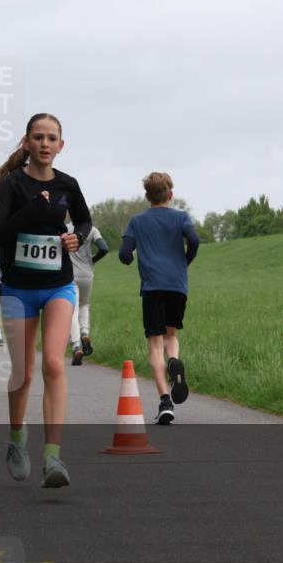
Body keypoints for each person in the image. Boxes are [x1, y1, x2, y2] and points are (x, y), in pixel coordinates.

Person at [0, 113, 92, 489]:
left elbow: (85, 222)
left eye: (52, 138)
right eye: (38, 137)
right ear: (27, 142)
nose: (45, 144)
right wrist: (28, 212)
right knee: (24, 372)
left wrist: (76, 236)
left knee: (54, 365)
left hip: (59, 285)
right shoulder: (12, 185)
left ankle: (52, 457)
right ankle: (16, 441)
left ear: (61, 145)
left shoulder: (68, 184)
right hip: (18, 288)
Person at [119, 171, 199, 425]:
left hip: (152, 287)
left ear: (147, 196)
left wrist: (130, 256)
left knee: (155, 343)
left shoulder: (137, 221)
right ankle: (174, 360)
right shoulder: (181, 217)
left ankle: (165, 400)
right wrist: (184, 261)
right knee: (171, 334)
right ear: (171, 194)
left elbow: (123, 254)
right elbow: (194, 240)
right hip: (177, 285)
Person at [68, 223, 110, 365]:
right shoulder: (92, 230)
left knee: (72, 310)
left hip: (70, 276)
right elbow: (104, 248)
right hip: (87, 275)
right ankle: (85, 333)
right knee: (84, 305)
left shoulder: (66, 229)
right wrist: (92, 260)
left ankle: (76, 346)